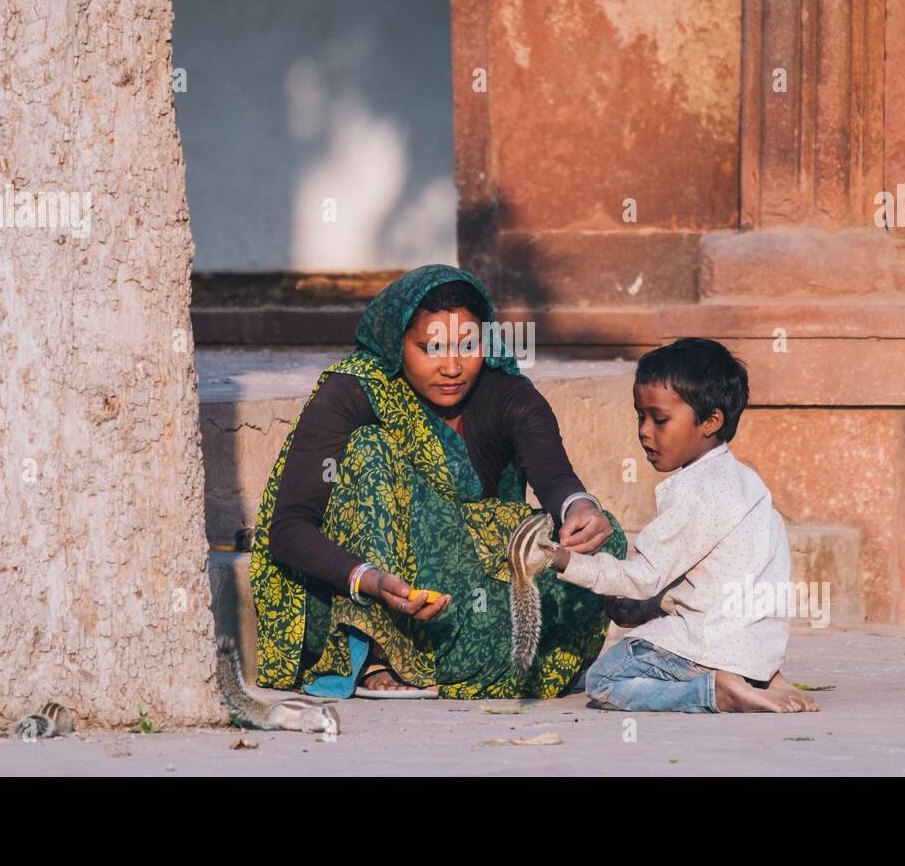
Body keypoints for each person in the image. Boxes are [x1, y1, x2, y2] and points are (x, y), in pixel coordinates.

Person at [248, 264, 627, 699]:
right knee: (372, 447)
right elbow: (290, 528)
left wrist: (578, 507)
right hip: (371, 587)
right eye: (431, 348)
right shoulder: (354, 393)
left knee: (607, 537)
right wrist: (368, 579)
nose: (452, 367)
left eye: (468, 346)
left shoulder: (506, 392)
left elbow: (554, 476)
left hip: (466, 584)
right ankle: (380, 655)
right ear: (397, 344)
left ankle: (478, 659)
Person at [548, 337, 822, 713]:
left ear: (711, 422)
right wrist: (645, 611)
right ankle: (762, 679)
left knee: (604, 679)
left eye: (659, 420)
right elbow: (710, 579)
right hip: (756, 648)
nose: (645, 431)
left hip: (709, 644)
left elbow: (643, 577)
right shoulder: (748, 483)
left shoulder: (695, 492)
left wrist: (566, 561)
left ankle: (713, 693)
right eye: (639, 416)